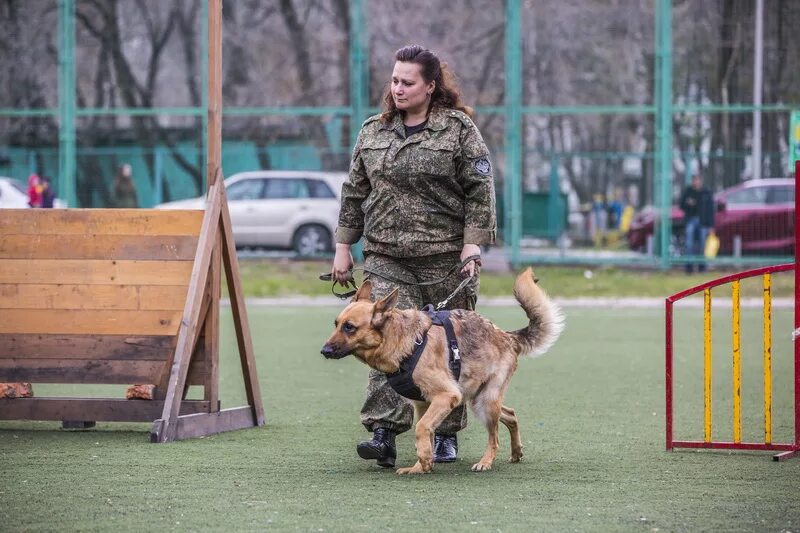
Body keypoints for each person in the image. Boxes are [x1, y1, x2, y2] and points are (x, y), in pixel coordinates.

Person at [331, 44, 496, 468]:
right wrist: (343, 246)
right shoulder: (373, 130)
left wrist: (473, 242)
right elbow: (354, 191)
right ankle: (384, 431)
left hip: (445, 257)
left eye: (408, 82)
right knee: (379, 337)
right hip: (386, 254)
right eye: (394, 81)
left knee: (451, 349)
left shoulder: (457, 130)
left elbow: (480, 189)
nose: (398, 89)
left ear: (430, 86)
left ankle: (445, 435)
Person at [679, 174, 715, 273]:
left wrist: (711, 226)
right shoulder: (688, 191)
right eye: (694, 180)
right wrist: (687, 203)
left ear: (701, 180)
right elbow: (681, 205)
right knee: (689, 243)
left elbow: (711, 210)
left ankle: (702, 266)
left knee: (702, 244)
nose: (696, 182)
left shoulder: (706, 192)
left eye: (698, 180)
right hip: (690, 220)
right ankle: (689, 267)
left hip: (703, 222)